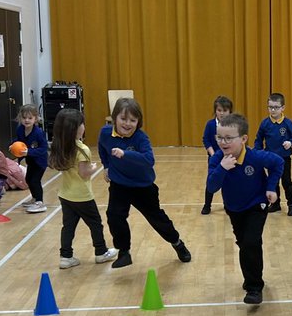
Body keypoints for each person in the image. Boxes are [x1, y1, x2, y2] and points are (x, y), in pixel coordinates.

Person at [98, 96, 192, 270]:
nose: (128, 124)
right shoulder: (105, 133)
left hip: (143, 187)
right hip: (119, 185)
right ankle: (124, 251)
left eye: (133, 120)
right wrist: (106, 166)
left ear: (138, 121)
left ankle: (177, 242)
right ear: (114, 118)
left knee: (157, 219)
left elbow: (149, 160)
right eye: (123, 119)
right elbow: (102, 148)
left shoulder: (141, 138)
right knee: (114, 216)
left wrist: (126, 154)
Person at [206, 113, 284, 305]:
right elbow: (211, 187)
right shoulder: (217, 159)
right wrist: (222, 168)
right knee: (244, 243)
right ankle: (252, 275)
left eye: (228, 138)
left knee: (250, 242)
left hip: (257, 204)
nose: (223, 142)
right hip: (234, 208)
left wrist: (270, 187)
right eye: (220, 137)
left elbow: (278, 163)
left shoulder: (255, 156)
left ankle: (254, 287)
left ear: (243, 139)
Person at [48, 108, 117, 269]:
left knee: (68, 227)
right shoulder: (82, 149)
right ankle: (101, 252)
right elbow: (84, 174)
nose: (84, 126)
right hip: (82, 196)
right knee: (95, 224)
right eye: (82, 124)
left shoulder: (61, 146)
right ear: (75, 128)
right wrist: (94, 167)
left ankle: (66, 256)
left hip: (65, 195)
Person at [255, 92, 292, 216]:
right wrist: (257, 153)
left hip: (284, 159)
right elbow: (258, 139)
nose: (273, 110)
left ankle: (291, 204)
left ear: (283, 108)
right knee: (273, 182)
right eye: (270, 107)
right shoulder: (265, 124)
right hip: (271, 159)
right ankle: (275, 203)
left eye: (276, 107)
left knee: (287, 182)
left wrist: (290, 142)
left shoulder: (287, 123)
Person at [201, 95, 233, 214]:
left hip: (229, 157)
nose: (222, 113)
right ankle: (207, 205)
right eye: (219, 110)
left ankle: (228, 204)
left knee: (228, 182)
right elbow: (206, 140)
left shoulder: (233, 126)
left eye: (225, 110)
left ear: (230, 112)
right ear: (215, 111)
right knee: (211, 181)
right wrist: (214, 155)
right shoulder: (210, 125)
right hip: (214, 158)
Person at [14, 104, 49, 213]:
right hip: (30, 160)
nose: (27, 120)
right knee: (28, 179)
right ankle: (34, 198)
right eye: (24, 118)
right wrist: (13, 147)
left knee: (35, 180)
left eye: (30, 118)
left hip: (40, 161)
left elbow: (44, 148)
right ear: (20, 118)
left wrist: (30, 151)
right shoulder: (20, 129)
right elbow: (18, 142)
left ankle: (40, 202)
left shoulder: (38, 133)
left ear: (36, 119)